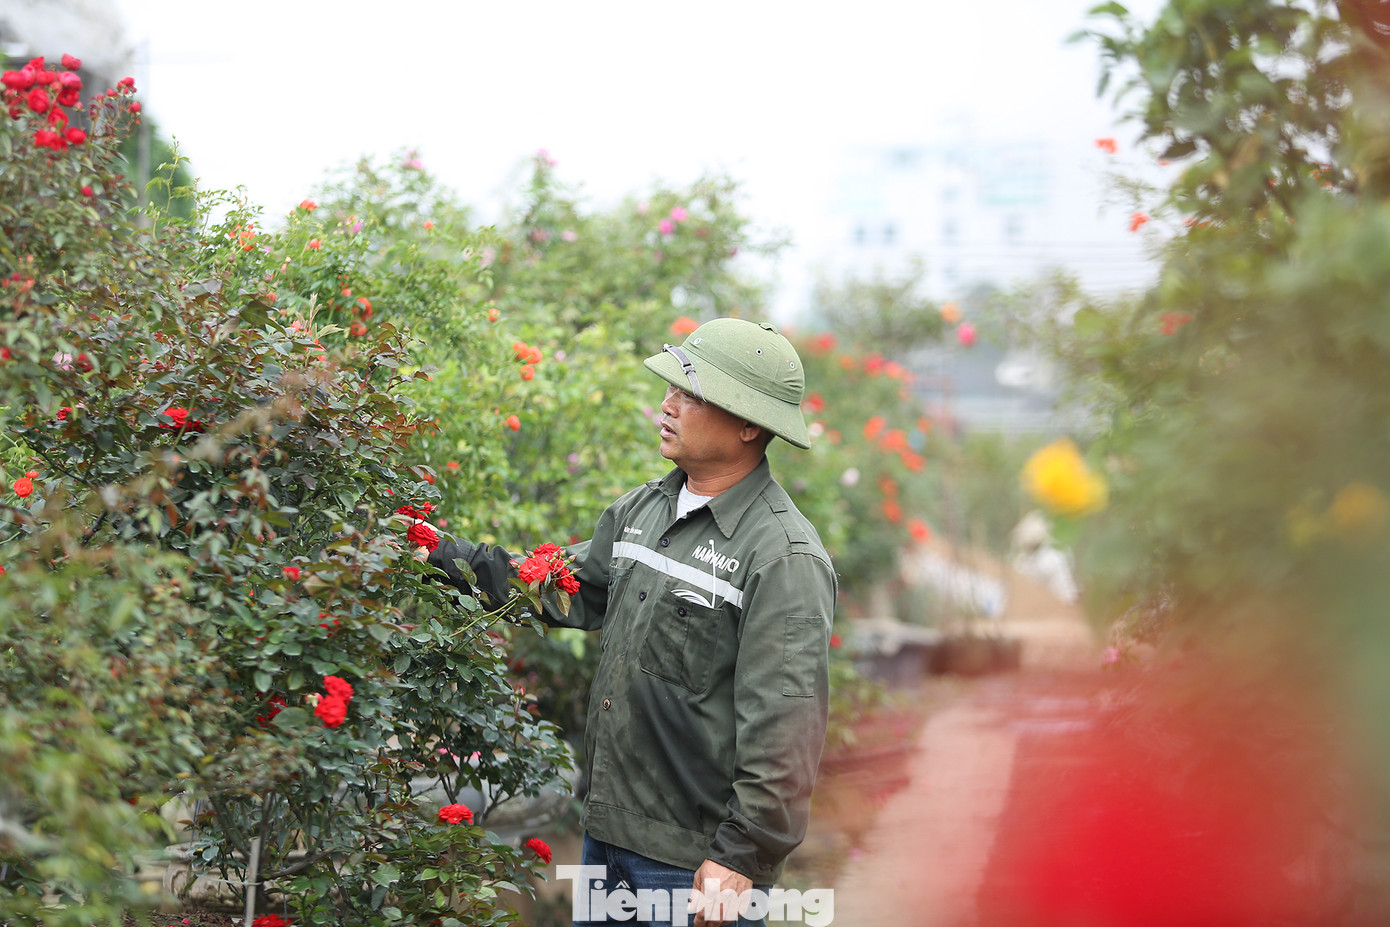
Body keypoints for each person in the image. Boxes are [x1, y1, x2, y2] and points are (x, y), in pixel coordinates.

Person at [428, 318, 837, 927]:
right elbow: (560, 587)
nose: (666, 405)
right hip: (610, 836)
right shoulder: (643, 512)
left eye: (692, 395)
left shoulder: (780, 556)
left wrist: (742, 857)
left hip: (693, 861)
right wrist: (435, 555)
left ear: (750, 424)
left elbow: (787, 729)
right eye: (671, 388)